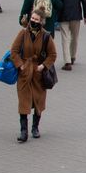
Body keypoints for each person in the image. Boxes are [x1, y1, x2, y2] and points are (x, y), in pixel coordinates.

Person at [10, 9, 56, 142]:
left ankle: (35, 128)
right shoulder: (23, 33)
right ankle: (23, 131)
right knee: (23, 102)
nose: (34, 21)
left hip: (38, 75)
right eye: (33, 18)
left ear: (42, 21)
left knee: (38, 102)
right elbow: (14, 51)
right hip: (24, 74)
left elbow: (52, 55)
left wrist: (43, 66)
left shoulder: (46, 36)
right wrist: (20, 65)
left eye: (37, 20)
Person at [51, 0, 86, 71]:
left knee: (65, 38)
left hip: (63, 15)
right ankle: (72, 57)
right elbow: (84, 0)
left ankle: (67, 62)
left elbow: (56, 3)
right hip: (76, 14)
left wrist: (54, 16)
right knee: (74, 37)